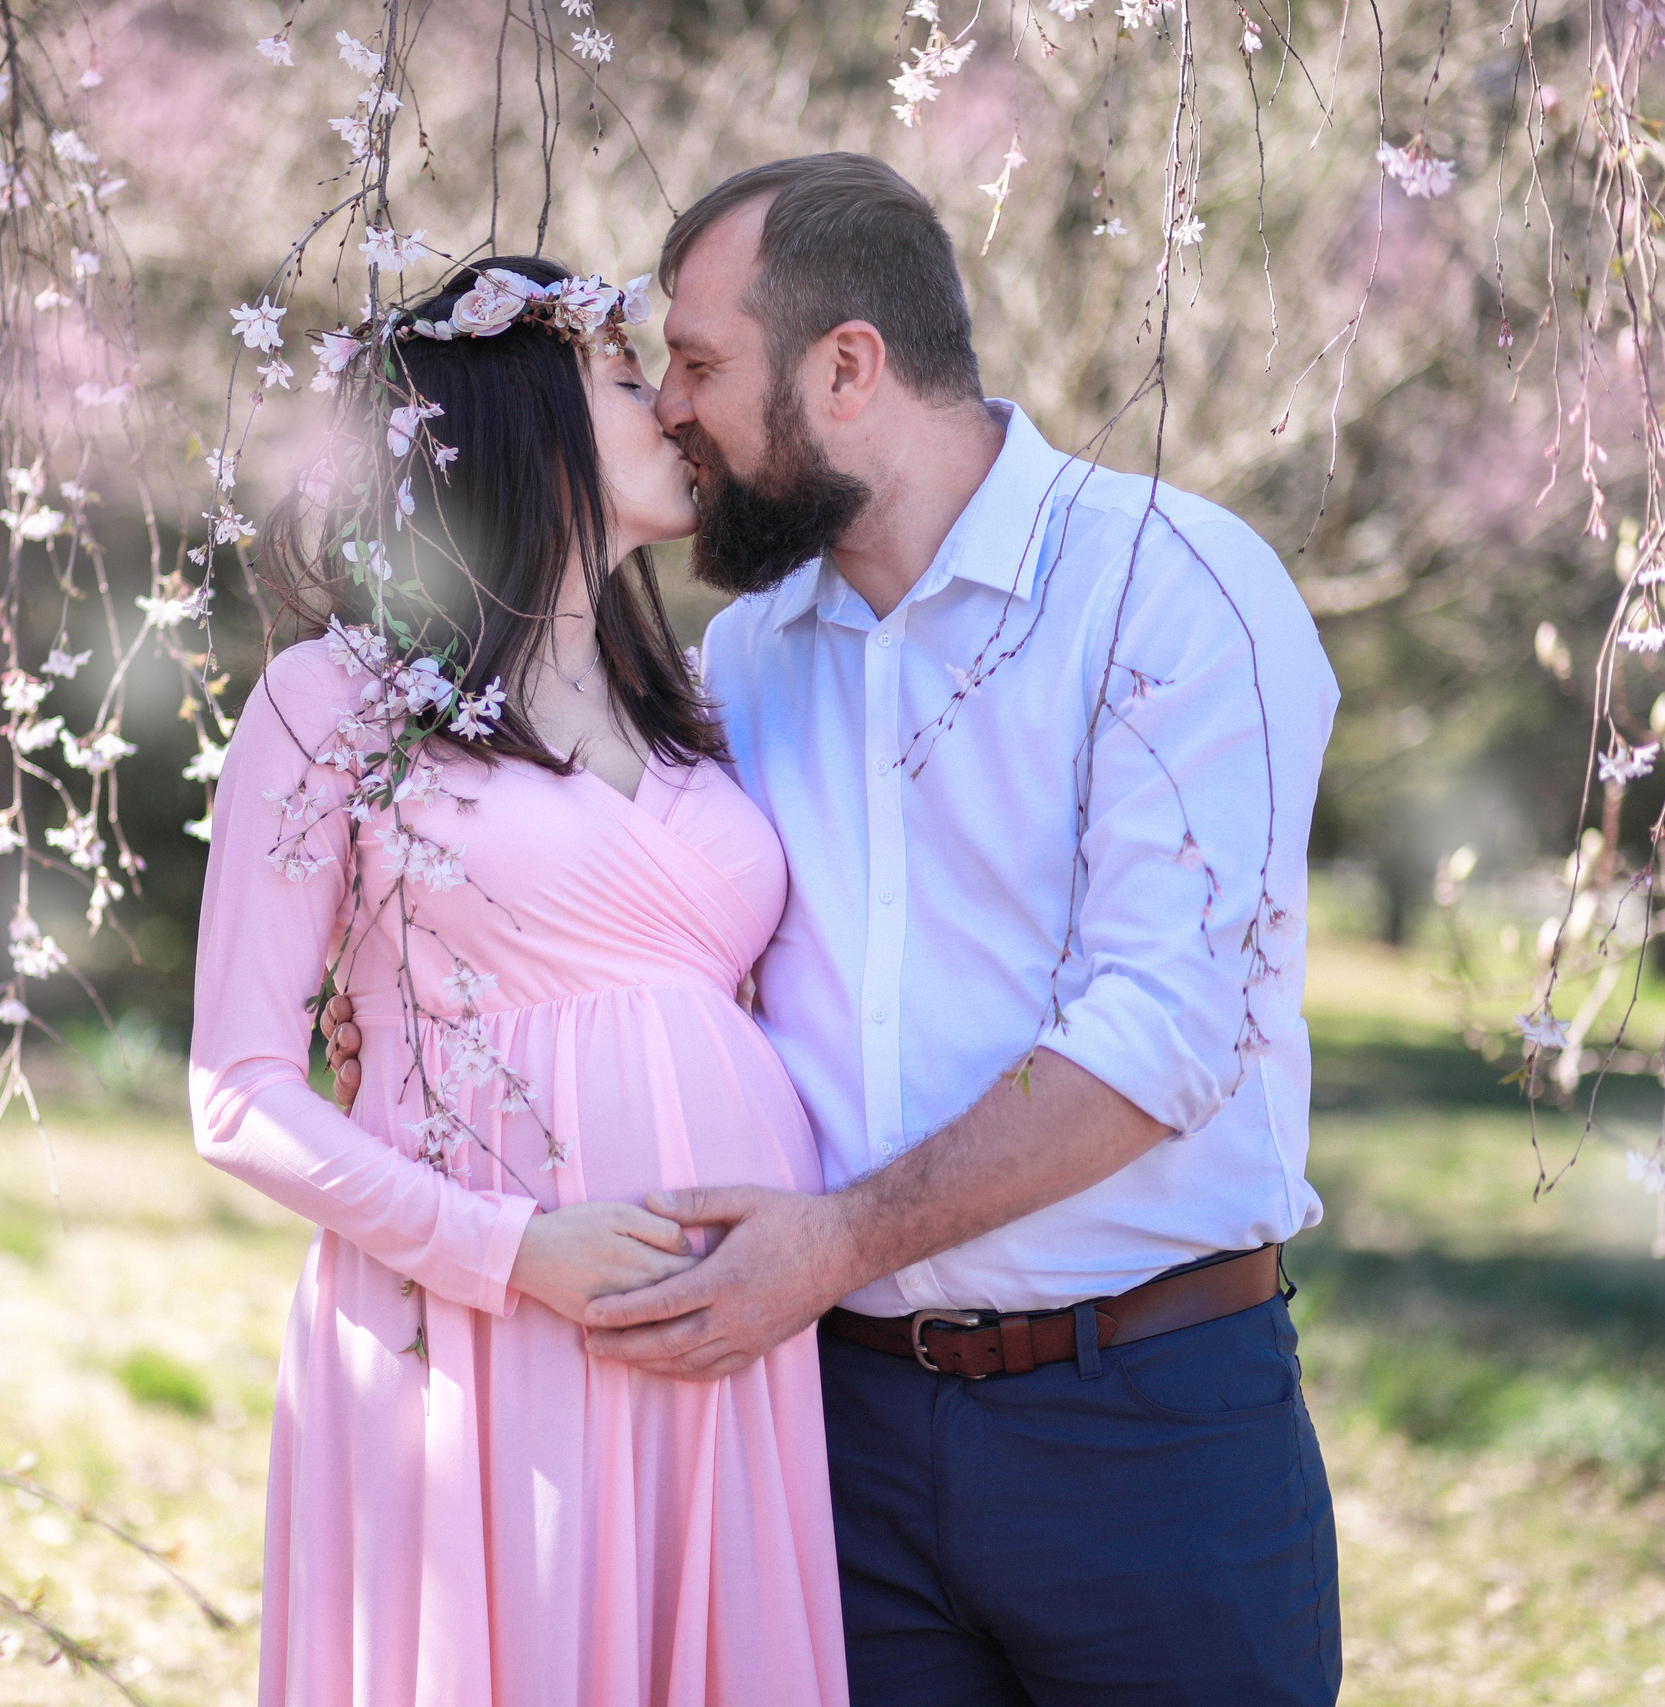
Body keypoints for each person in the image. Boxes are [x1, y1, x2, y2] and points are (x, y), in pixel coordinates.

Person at [329, 156, 1344, 1704]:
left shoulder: (1173, 588)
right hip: (827, 1435)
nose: (668, 407)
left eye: (700, 363)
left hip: (1145, 1418)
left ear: (846, 368)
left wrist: (836, 1245)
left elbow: (1165, 1036)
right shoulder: (742, 662)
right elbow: (645, 948)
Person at [189, 257, 850, 1707]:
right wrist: (509, 1250)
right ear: (517, 423)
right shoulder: (336, 702)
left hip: (726, 1345)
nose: (675, 409)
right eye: (630, 381)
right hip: (486, 1334)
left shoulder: (704, 720)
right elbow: (235, 1095)